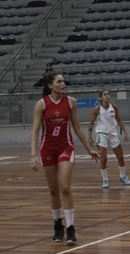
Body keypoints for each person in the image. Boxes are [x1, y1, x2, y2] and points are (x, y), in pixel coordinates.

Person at [30, 71, 100, 246]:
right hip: (47, 149)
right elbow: (35, 131)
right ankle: (57, 225)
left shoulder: (71, 102)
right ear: (50, 85)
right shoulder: (41, 104)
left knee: (65, 187)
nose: (63, 84)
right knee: (53, 189)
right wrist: (33, 155)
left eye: (63, 81)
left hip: (65, 147)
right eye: (59, 81)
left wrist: (89, 148)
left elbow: (77, 128)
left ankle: (70, 228)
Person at [87, 89, 130, 189]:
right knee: (104, 159)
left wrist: (125, 132)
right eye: (105, 94)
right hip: (101, 134)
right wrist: (89, 137)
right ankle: (105, 179)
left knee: (120, 157)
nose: (107, 96)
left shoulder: (114, 107)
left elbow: (119, 119)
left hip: (113, 134)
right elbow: (91, 123)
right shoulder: (97, 109)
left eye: (108, 94)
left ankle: (123, 176)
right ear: (101, 97)